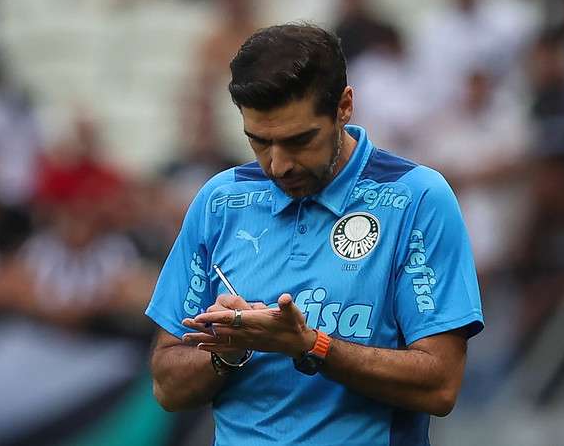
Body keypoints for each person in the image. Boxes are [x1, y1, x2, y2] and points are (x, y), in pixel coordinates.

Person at [145, 23, 484, 446]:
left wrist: (312, 345)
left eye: (299, 140)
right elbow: (166, 387)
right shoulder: (220, 201)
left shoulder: (416, 198)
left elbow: (440, 384)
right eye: (259, 142)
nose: (279, 165)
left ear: (344, 107)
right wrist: (226, 353)